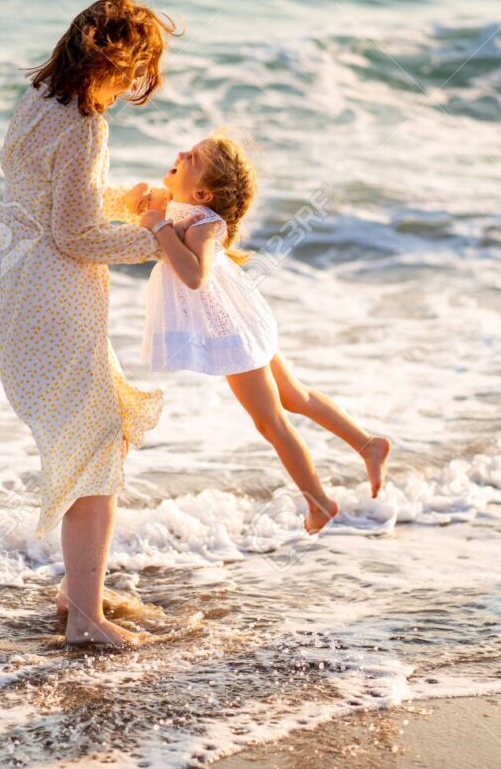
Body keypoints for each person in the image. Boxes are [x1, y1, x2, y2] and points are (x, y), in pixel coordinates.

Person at [0, 0, 177, 647]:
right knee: (95, 446)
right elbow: (75, 235)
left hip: (9, 275)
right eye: (133, 74)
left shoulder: (40, 97)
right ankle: (86, 621)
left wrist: (126, 199)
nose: (130, 90)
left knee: (98, 434)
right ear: (113, 62)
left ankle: (78, 591)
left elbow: (42, 192)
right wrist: (160, 242)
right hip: (49, 289)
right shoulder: (87, 123)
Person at [138, 135, 391, 534]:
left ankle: (319, 502)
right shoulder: (186, 209)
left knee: (271, 422)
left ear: (203, 193)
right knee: (295, 396)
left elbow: (194, 276)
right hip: (241, 317)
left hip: (231, 332)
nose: (181, 154)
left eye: (192, 158)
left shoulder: (203, 224)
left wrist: (160, 227)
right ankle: (368, 444)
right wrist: (152, 210)